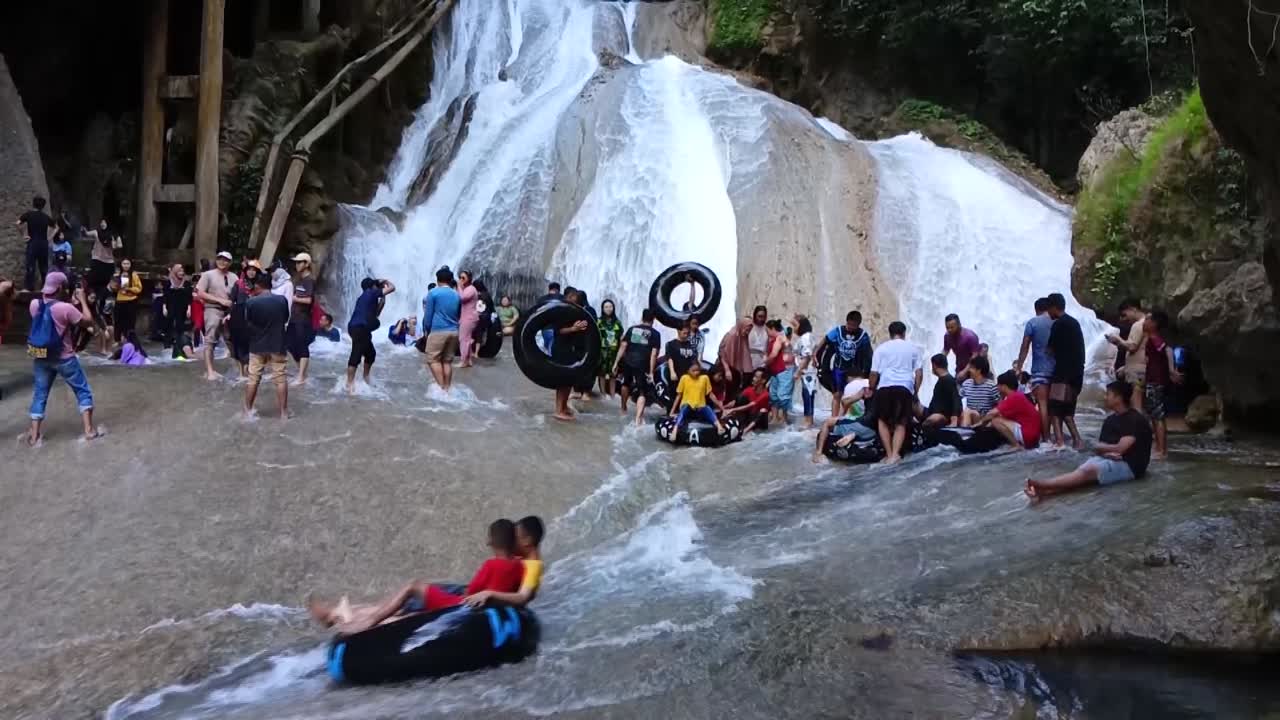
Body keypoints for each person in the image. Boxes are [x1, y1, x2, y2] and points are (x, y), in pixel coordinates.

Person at [308, 519, 527, 635]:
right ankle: (337, 614)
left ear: (491, 542)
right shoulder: (519, 567)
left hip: (463, 606)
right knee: (405, 608)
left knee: (413, 587)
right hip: (480, 609)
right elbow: (515, 592)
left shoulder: (491, 564)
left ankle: (363, 621)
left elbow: (471, 592)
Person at [1026, 380, 1152, 499]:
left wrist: (1104, 449)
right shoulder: (1110, 420)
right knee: (1082, 472)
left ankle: (1044, 485)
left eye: (1108, 394)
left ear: (1118, 398)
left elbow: (1120, 448)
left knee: (1088, 471)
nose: (1105, 397)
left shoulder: (1135, 419)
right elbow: (1102, 448)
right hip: (1110, 459)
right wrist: (1106, 451)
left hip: (1131, 467)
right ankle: (1045, 492)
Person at [25, 272, 102, 445]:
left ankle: (35, 435)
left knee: (39, 395)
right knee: (82, 391)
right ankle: (89, 431)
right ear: (60, 288)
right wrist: (82, 299)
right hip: (65, 358)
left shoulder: (33, 304)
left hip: (41, 358)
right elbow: (88, 321)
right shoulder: (65, 308)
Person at [869, 321, 922, 464]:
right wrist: (915, 391)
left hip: (885, 386)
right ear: (904, 333)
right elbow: (918, 373)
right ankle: (895, 454)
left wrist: (871, 389)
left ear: (890, 333)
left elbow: (873, 373)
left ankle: (888, 453)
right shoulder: (913, 348)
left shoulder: (881, 349)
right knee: (901, 421)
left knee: (882, 420)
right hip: (904, 387)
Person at [464, 515, 546, 609]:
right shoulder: (518, 559)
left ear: (527, 541)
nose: (508, 541)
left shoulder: (534, 566)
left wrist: (489, 593)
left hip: (509, 610)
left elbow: (523, 597)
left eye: (513, 538)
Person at [243, 272, 291, 418]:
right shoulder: (281, 300)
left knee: (253, 379)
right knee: (280, 378)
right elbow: (285, 318)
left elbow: (248, 323)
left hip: (257, 345)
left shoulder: (251, 302)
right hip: (277, 344)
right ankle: (283, 413)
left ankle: (247, 412)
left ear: (257, 285)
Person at [813, 311, 875, 418]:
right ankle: (834, 419)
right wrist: (815, 353)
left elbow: (869, 354)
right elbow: (825, 340)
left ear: (858, 325)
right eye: (849, 324)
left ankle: (850, 418)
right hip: (839, 369)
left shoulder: (863, 336)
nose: (851, 327)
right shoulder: (838, 331)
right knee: (837, 394)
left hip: (854, 372)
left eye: (854, 326)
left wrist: (868, 372)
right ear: (846, 322)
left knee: (852, 394)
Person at [1045, 293, 1085, 449]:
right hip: (1077, 374)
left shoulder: (1058, 324)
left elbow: (1049, 350)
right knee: (1068, 410)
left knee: (1055, 409)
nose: (1048, 313)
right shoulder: (1074, 323)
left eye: (1049, 309)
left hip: (1062, 375)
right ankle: (1077, 441)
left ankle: (1060, 442)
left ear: (1054, 307)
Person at [1143, 309, 1183, 460]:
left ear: (1154, 323)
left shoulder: (1154, 338)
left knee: (1157, 416)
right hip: (1154, 380)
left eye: (1147, 319)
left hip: (1157, 382)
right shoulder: (1151, 338)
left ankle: (1161, 450)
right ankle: (1159, 447)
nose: (1144, 322)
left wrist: (1172, 370)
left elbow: (1168, 349)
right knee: (1154, 415)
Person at [1014, 297, 1055, 441]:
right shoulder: (1056, 321)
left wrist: (1019, 367)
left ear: (1036, 309)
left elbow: (1025, 346)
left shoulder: (1033, 323)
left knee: (1042, 404)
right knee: (1053, 405)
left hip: (1040, 370)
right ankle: (1057, 437)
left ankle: (1046, 439)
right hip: (1057, 371)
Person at [346, 277, 395, 393]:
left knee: (370, 354)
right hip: (360, 328)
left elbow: (375, 315)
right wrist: (385, 281)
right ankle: (349, 384)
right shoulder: (371, 293)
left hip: (358, 328)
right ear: (372, 287)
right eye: (375, 286)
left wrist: (382, 300)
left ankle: (365, 378)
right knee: (356, 353)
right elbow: (392, 288)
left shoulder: (364, 297)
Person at [812, 373, 876, 463]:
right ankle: (852, 435)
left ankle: (818, 453)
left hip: (864, 426)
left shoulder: (867, 390)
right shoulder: (886, 391)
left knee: (828, 422)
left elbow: (845, 402)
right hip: (875, 431)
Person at [614, 309, 661, 426]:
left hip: (628, 361)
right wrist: (651, 372)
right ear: (653, 319)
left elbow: (623, 346)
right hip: (643, 364)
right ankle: (638, 419)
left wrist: (616, 362)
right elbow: (654, 354)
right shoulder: (655, 334)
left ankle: (623, 409)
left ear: (642, 317)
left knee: (625, 384)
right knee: (642, 391)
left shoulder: (632, 329)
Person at [196, 251, 239, 380]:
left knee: (231, 340)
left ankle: (237, 369)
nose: (222, 262)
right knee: (210, 340)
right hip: (212, 309)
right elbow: (200, 293)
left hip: (229, 311)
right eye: (220, 259)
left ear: (230, 263)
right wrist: (219, 300)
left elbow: (238, 293)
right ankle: (210, 371)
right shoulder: (208, 275)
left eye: (225, 260)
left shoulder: (234, 277)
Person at [552, 289, 592, 420]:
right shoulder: (561, 310)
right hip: (561, 349)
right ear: (568, 297)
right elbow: (558, 331)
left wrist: (582, 325)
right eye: (573, 297)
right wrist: (573, 329)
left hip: (571, 349)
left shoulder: (574, 311)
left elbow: (583, 326)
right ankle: (558, 410)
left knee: (569, 380)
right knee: (562, 381)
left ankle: (564, 406)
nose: (575, 300)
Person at [974, 371, 1041, 449]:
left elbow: (992, 413)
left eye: (998, 385)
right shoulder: (1017, 396)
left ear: (1004, 386)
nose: (997, 388)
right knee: (997, 419)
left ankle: (1016, 445)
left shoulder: (1013, 397)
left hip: (1028, 434)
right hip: (1032, 435)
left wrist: (980, 422)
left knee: (996, 421)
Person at [421, 267, 461, 393]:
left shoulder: (433, 293)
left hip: (438, 330)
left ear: (437, 279)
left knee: (432, 359)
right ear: (450, 280)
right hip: (454, 331)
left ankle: (442, 388)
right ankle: (448, 387)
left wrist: (426, 329)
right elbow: (458, 314)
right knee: (447, 361)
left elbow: (428, 315)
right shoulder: (456, 294)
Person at [1105, 298, 1147, 411]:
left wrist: (1117, 340)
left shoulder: (1138, 325)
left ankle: (1136, 428)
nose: (1123, 319)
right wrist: (1126, 367)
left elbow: (1132, 346)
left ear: (1133, 309)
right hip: (1139, 369)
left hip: (1137, 372)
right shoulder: (1147, 323)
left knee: (1136, 406)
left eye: (1124, 315)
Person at [669, 361, 727, 434]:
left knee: (707, 408)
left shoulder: (705, 378)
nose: (696, 373)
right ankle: (675, 429)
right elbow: (679, 395)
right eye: (693, 371)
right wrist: (672, 411)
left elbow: (711, 395)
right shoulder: (684, 378)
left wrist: (722, 408)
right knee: (685, 408)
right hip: (687, 407)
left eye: (698, 370)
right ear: (688, 371)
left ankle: (719, 426)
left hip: (700, 407)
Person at [228, 260, 262, 379]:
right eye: (249, 269)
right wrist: (228, 314)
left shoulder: (259, 286)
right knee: (238, 343)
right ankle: (241, 372)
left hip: (254, 317)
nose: (251, 272)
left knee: (251, 343)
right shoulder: (239, 283)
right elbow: (231, 300)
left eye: (254, 270)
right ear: (245, 271)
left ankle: (249, 368)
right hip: (238, 316)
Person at [288, 253, 316, 385]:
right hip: (294, 317)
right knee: (289, 344)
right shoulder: (299, 280)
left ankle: (301, 376)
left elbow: (309, 300)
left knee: (302, 345)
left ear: (307, 264)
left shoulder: (309, 280)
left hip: (303, 318)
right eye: (296, 262)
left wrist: (295, 298)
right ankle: (302, 373)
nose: (297, 265)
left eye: (300, 262)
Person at [18, 196, 52, 291]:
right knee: (44, 267)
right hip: (43, 243)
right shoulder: (45, 217)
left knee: (30, 266)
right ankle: (45, 288)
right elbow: (56, 227)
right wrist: (50, 238)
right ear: (43, 206)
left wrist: (23, 235)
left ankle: (29, 288)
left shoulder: (29, 215)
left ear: (33, 204)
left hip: (32, 242)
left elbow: (17, 223)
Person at [919, 353, 962, 428]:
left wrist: (954, 420)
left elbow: (956, 400)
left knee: (933, 419)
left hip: (943, 416)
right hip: (932, 411)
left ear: (934, 365)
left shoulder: (949, 380)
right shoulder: (940, 380)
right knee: (913, 404)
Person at [725, 368, 772, 435]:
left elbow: (750, 405)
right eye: (754, 376)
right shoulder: (749, 389)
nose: (753, 379)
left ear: (763, 380)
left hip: (759, 422)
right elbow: (735, 402)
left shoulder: (765, 394)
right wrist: (723, 409)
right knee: (740, 398)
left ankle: (745, 430)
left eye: (756, 377)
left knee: (763, 410)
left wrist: (732, 410)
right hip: (749, 417)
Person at [791, 314, 818, 429]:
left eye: (795, 325)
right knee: (808, 394)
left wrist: (798, 371)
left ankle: (808, 420)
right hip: (809, 370)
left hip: (807, 371)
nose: (794, 328)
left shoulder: (805, 338)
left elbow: (807, 356)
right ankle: (809, 419)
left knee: (807, 394)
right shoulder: (807, 336)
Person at [765, 319, 794, 424]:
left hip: (783, 370)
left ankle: (784, 418)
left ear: (772, 329)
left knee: (782, 394)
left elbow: (774, 354)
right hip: (776, 370)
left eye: (767, 330)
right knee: (773, 394)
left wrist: (765, 362)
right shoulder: (778, 338)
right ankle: (775, 418)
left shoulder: (780, 338)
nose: (767, 332)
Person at [81, 218, 119, 297]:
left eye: (104, 222)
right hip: (97, 259)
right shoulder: (96, 232)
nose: (102, 224)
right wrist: (84, 230)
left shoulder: (113, 235)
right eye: (101, 222)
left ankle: (104, 298)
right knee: (94, 279)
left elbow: (117, 246)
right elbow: (87, 234)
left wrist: (112, 242)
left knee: (106, 281)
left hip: (108, 261)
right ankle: (93, 296)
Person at [959, 355, 1000, 426]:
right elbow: (958, 401)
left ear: (978, 370)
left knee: (970, 412)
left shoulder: (991, 386)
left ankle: (964, 434)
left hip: (983, 421)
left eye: (971, 368)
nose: (969, 370)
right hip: (968, 417)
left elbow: (999, 406)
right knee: (967, 412)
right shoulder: (966, 384)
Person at [161, 264, 192, 349]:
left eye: (182, 271)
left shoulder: (186, 283)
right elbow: (165, 296)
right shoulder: (168, 282)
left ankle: (180, 344)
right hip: (170, 306)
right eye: (179, 271)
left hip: (182, 307)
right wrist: (164, 307)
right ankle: (167, 345)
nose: (181, 273)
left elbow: (189, 297)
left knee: (180, 326)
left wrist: (189, 309)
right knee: (168, 325)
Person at [112, 258, 143, 344]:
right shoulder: (117, 274)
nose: (126, 266)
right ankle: (117, 340)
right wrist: (115, 286)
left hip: (131, 300)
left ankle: (129, 340)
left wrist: (129, 289)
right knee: (118, 321)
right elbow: (113, 287)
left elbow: (139, 288)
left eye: (127, 264)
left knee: (130, 322)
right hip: (120, 300)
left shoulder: (134, 275)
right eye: (124, 264)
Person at [942, 314, 981, 380]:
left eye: (952, 327)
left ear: (959, 325)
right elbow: (946, 350)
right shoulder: (947, 336)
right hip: (960, 369)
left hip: (976, 370)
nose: (949, 330)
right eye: (947, 328)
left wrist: (965, 371)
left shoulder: (970, 337)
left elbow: (975, 356)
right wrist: (938, 361)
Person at [665, 324, 699, 398]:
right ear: (678, 331)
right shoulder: (671, 344)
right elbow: (669, 359)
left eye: (688, 333)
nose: (686, 335)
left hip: (688, 376)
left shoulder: (692, 346)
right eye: (684, 333)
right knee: (674, 396)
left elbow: (694, 360)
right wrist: (672, 372)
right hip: (676, 375)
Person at [597, 299, 623, 397]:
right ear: (602, 309)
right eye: (606, 307)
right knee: (601, 373)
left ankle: (612, 394)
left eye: (610, 306)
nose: (608, 309)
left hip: (614, 351)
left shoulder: (617, 322)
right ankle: (603, 394)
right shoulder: (599, 322)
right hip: (602, 351)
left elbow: (621, 337)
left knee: (613, 374)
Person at [456, 270, 480, 368]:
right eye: (460, 277)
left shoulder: (470, 289)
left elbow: (462, 298)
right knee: (467, 339)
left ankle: (463, 361)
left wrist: (458, 286)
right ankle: (468, 360)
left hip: (469, 318)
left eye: (463, 278)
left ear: (469, 279)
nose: (461, 280)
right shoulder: (468, 288)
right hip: (467, 317)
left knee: (463, 339)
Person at [746, 305, 770, 370]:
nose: (761, 319)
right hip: (748, 360)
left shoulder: (767, 329)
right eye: (759, 316)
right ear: (755, 315)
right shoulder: (749, 327)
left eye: (763, 317)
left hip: (761, 363)